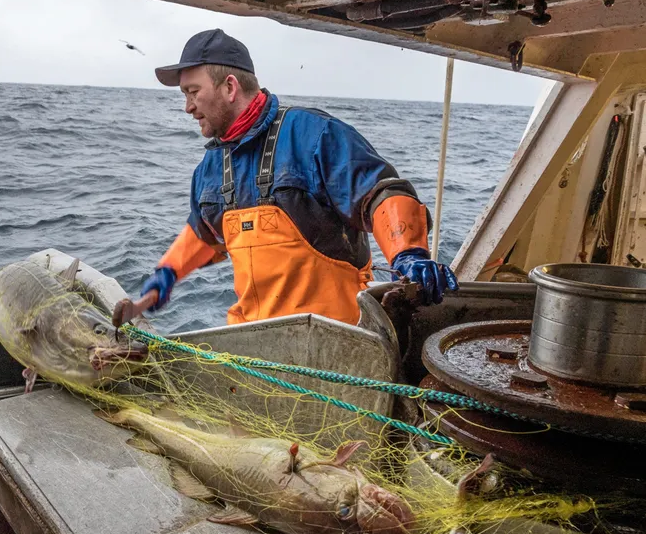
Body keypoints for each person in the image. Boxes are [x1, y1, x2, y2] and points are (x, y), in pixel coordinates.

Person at [140, 28, 458, 327]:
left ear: (230, 87)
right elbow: (205, 233)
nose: (187, 107)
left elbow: (380, 193)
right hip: (256, 352)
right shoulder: (210, 166)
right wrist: (168, 272)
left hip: (339, 343)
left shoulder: (315, 135)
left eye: (193, 92)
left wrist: (408, 254)